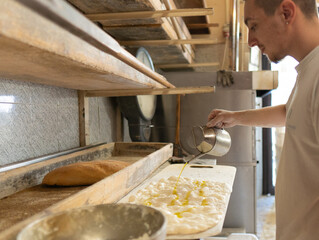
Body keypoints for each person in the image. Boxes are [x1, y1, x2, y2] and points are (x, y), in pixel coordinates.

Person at [206, 0, 319, 239]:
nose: (250, 41)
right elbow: (290, 113)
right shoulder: (309, 68)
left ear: (286, 13)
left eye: (254, 26)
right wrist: (235, 117)